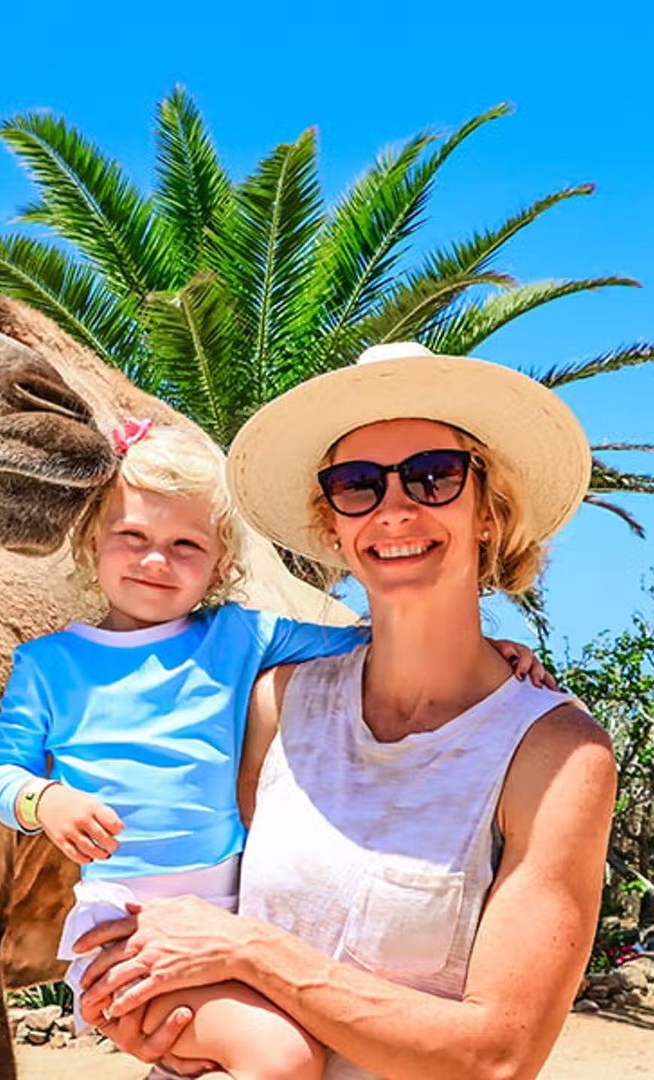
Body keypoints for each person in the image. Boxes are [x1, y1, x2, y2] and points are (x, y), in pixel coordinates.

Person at [75, 342, 617, 1080]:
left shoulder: (555, 757)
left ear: (488, 512)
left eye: (434, 477)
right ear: (332, 524)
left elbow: (499, 1055)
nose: (394, 509)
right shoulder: (275, 704)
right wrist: (143, 1005)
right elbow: (182, 898)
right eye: (357, 485)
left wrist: (253, 952)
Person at [0, 417, 548, 1080]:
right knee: (280, 1055)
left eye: (186, 545)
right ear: (90, 542)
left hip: (231, 917)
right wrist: (44, 800)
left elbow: (377, 638)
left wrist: (488, 650)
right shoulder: (49, 664)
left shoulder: (240, 636)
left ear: (222, 563)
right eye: (132, 537)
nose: (156, 560)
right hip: (126, 923)